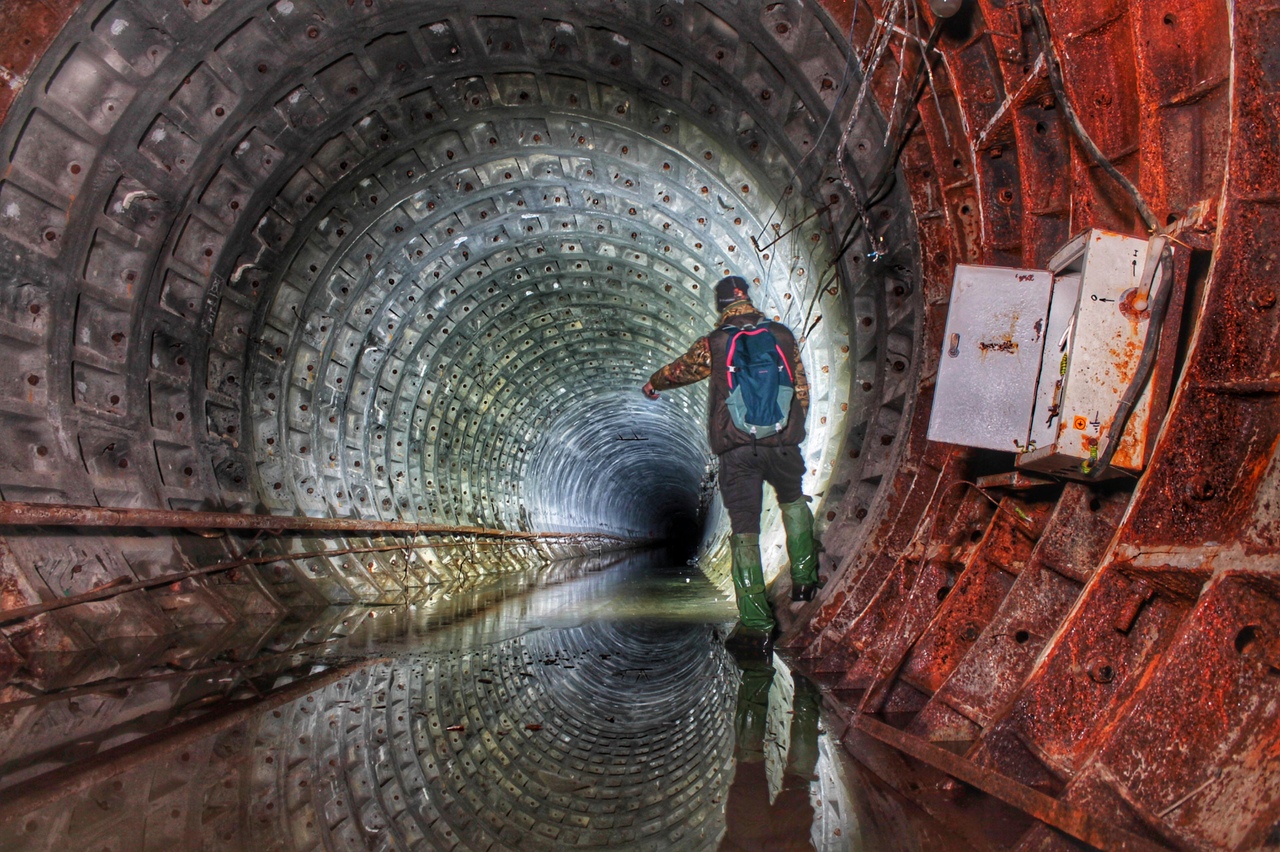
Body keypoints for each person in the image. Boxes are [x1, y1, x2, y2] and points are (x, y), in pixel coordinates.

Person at [642, 275, 820, 653]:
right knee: (792, 500)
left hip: (738, 450)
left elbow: (680, 371)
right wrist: (790, 431)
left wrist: (654, 383)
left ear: (721, 305)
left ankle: (757, 623)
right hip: (782, 442)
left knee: (745, 529)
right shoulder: (782, 335)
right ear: (747, 298)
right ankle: (805, 579)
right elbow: (799, 388)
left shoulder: (715, 343)